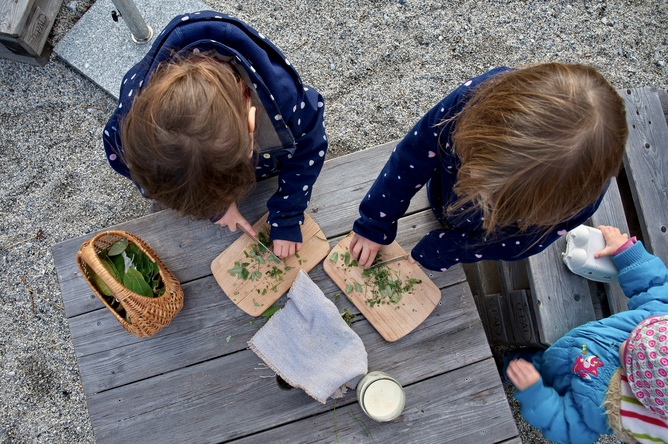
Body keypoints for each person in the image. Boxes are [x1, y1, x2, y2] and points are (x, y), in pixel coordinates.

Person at [349, 63, 628, 270]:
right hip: (443, 194)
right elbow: (412, 156)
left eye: (497, 198)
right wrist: (376, 222)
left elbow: (519, 243)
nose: (476, 188)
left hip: (477, 232)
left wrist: (450, 248)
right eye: (472, 167)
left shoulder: (572, 201)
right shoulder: (471, 102)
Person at [103, 12, 327, 258]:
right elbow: (139, 172)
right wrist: (217, 208)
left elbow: (310, 145)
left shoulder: (286, 101)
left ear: (253, 122)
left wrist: (287, 214)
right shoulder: (130, 134)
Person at [505, 225, 668, 444]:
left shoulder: (607, 410)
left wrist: (535, 393)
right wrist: (626, 251)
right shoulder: (659, 318)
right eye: (642, 334)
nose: (628, 340)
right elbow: (654, 287)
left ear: (638, 387)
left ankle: (506, 369)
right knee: (533, 359)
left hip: (553, 382)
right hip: (569, 350)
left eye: (630, 355)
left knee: (519, 368)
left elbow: (568, 428)